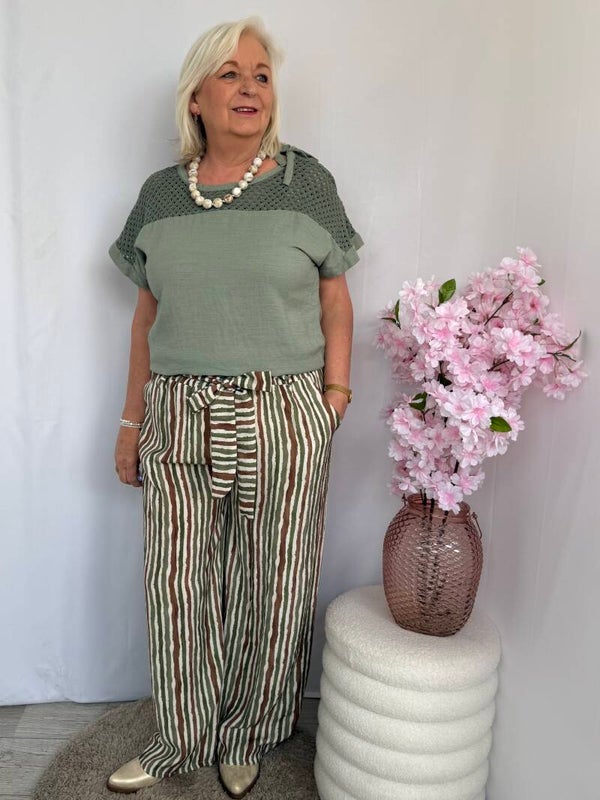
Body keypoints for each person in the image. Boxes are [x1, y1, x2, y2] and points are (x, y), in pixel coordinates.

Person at [106, 16, 363, 799]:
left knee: (275, 581)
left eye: (261, 75)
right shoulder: (161, 195)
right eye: (230, 74)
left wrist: (334, 397)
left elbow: (336, 300)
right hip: (177, 410)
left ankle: (248, 732)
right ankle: (181, 737)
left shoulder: (304, 184)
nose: (249, 88)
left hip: (282, 407)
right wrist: (130, 423)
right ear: (196, 97)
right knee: (177, 582)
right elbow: (146, 318)